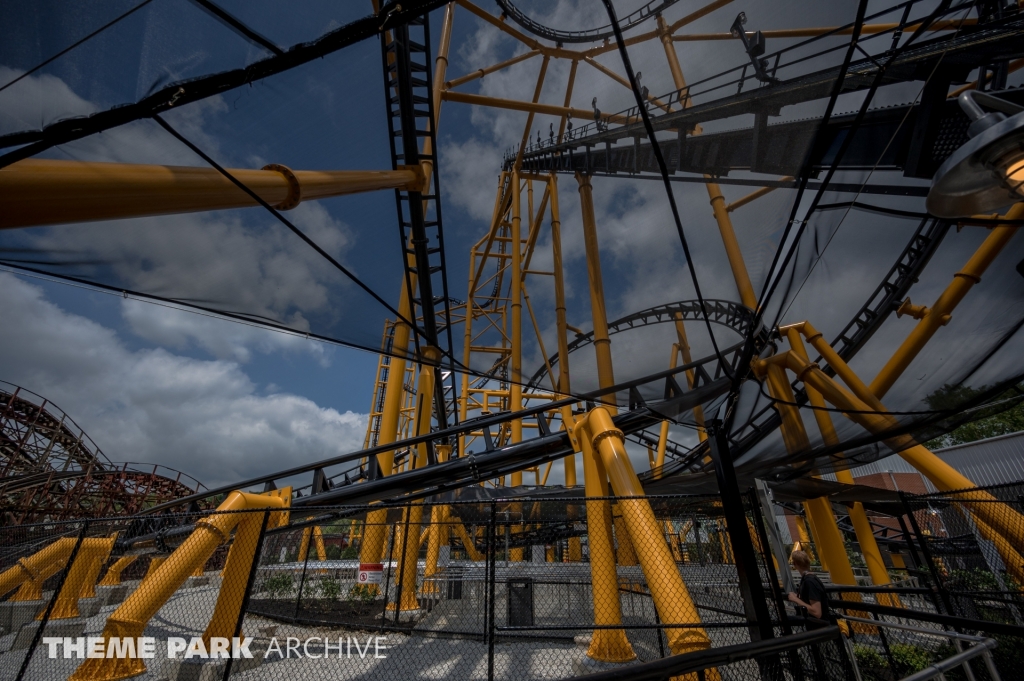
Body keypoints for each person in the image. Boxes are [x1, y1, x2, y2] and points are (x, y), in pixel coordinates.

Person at [787, 550, 832, 628]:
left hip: (819, 628)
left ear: (795, 564)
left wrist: (795, 599)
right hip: (818, 626)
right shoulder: (809, 578)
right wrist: (799, 597)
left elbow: (817, 612)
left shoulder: (809, 582)